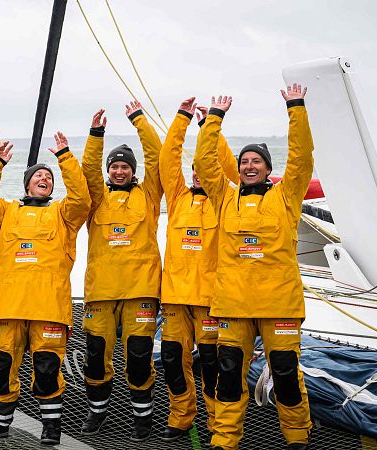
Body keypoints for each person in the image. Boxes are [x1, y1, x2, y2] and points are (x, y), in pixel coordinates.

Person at [194, 84, 313, 450]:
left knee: (286, 375)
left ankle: (297, 436)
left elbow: (301, 157)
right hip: (233, 306)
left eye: (255, 161)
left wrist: (296, 107)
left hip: (279, 305)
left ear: (267, 169)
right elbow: (204, 164)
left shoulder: (286, 196)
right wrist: (213, 120)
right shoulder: (224, 197)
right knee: (228, 377)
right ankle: (224, 440)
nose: (248, 166)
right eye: (244, 162)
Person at [0, 134, 91, 445]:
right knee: (1, 369)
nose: (44, 179)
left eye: (48, 177)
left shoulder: (64, 214)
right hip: (9, 307)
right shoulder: (6, 211)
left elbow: (82, 200)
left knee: (47, 369)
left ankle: (51, 427)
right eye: (38, 175)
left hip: (48, 307)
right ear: (26, 184)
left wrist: (65, 157)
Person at [78, 102, 163, 441]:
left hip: (140, 291)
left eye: (126, 167)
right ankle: (98, 411)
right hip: (101, 292)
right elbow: (86, 172)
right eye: (115, 166)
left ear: (133, 171)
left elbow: (157, 158)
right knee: (96, 358)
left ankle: (142, 416)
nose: (120, 171)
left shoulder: (149, 195)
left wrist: (139, 120)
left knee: (139, 359)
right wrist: (96, 134)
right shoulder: (95, 198)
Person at [157, 97, 239, 441]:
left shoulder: (225, 199)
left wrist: (210, 127)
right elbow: (167, 161)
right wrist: (183, 119)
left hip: (209, 301)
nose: (197, 173)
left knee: (211, 364)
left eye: (202, 169)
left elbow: (228, 166)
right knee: (174, 361)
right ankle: (180, 418)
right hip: (175, 298)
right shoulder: (177, 197)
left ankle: (215, 423)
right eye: (194, 170)